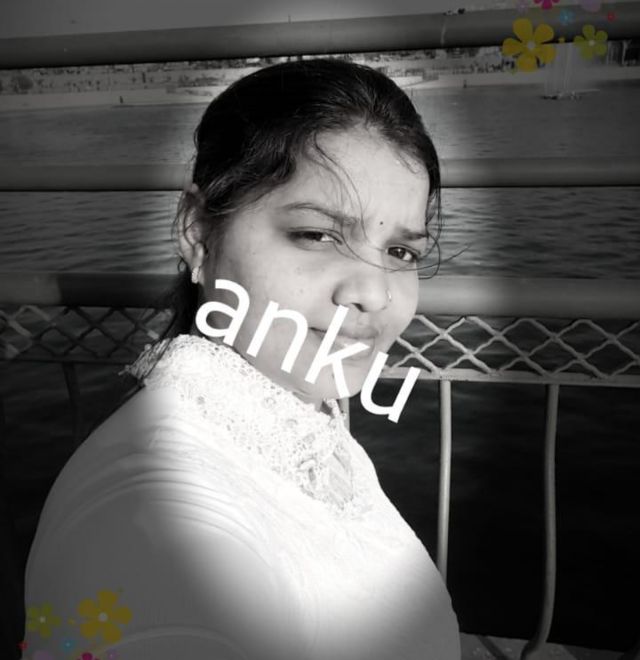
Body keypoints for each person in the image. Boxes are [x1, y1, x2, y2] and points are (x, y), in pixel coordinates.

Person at [22, 58, 460, 660]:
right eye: (316, 235)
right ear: (198, 233)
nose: (375, 292)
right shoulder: (156, 521)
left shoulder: (298, 427)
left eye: (401, 252)